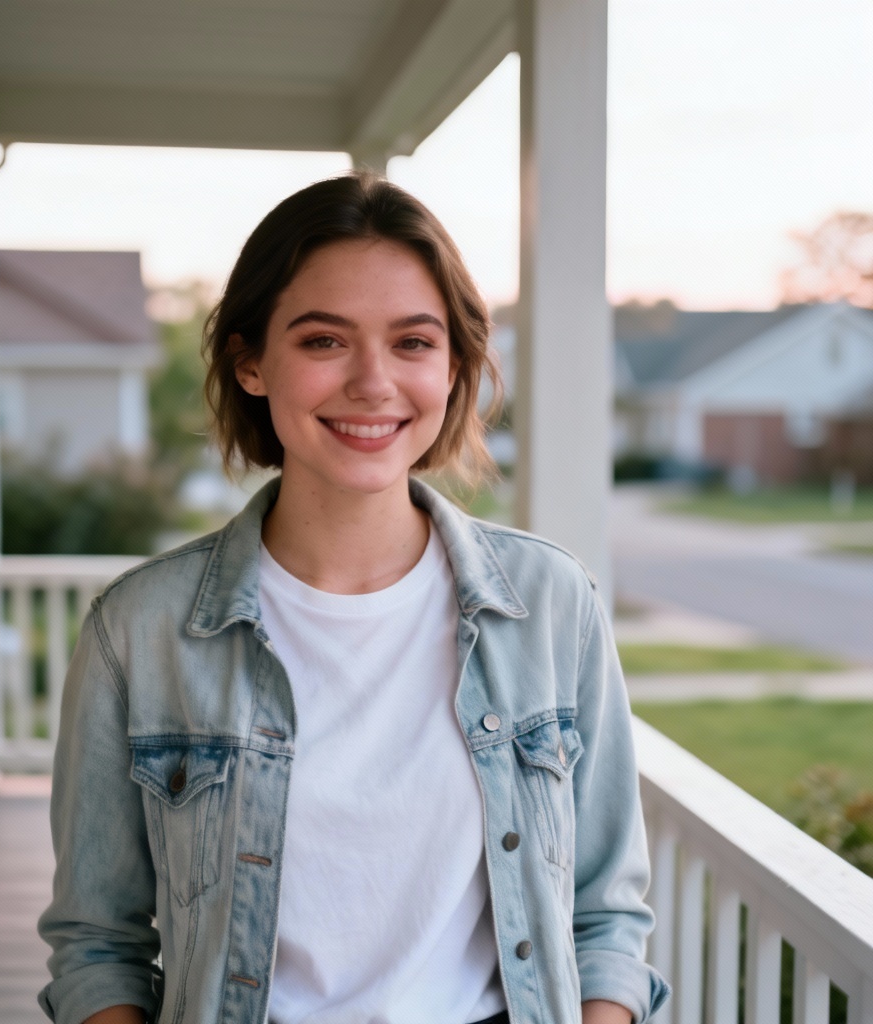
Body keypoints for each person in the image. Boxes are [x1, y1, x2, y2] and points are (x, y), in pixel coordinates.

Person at [37, 172, 670, 1024]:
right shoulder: (141, 630)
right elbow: (98, 943)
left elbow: (605, 917)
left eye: (414, 342)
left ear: (454, 368)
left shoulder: (552, 605)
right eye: (324, 341)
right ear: (251, 362)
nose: (374, 383)